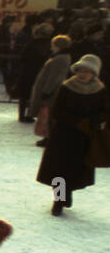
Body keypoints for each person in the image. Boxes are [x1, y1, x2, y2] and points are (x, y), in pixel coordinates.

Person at [38, 54, 106, 215]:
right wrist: (76, 121)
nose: (83, 74)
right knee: (60, 170)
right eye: (80, 70)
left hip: (84, 138)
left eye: (87, 71)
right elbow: (57, 111)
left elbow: (104, 111)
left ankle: (67, 193)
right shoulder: (67, 87)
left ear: (94, 73)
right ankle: (58, 201)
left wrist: (95, 120)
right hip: (64, 136)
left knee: (76, 171)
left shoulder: (100, 90)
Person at [26, 34, 73, 144]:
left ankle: (49, 137)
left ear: (58, 46)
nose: (51, 47)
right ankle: (48, 136)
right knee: (47, 115)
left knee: (48, 115)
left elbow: (54, 77)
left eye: (53, 45)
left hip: (51, 92)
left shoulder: (59, 59)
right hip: (51, 90)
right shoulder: (61, 57)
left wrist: (46, 91)